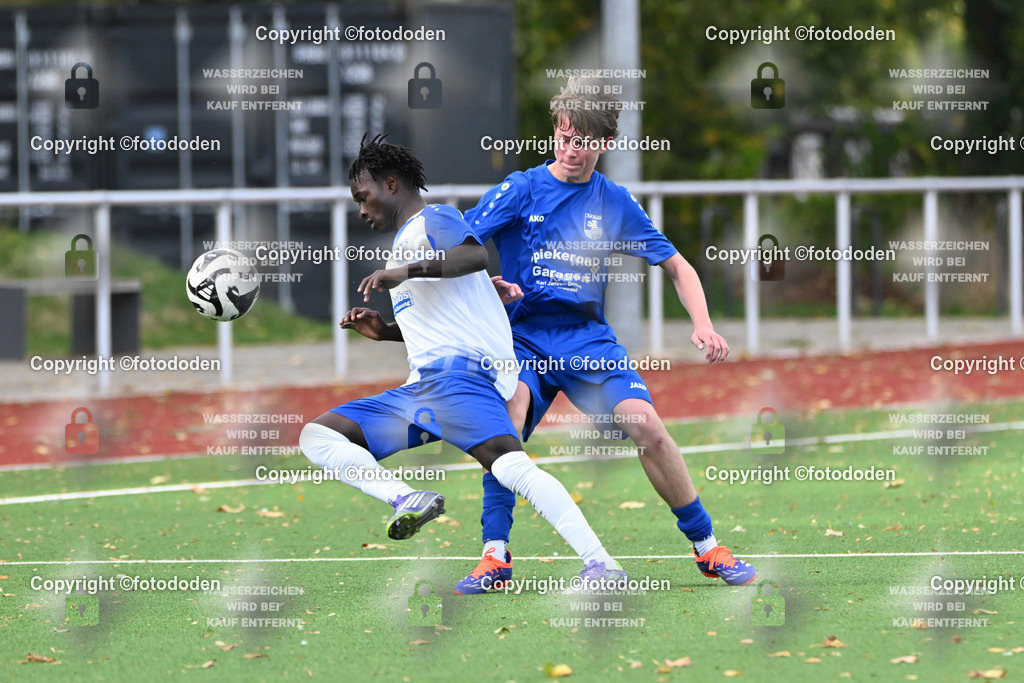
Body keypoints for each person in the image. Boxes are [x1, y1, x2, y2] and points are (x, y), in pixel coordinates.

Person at [454, 79, 757, 594]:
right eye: (564, 136)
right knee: (507, 427)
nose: (572, 149)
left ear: (605, 143)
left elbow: (678, 265)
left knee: (649, 430)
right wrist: (488, 283)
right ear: (555, 133)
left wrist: (703, 324)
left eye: (584, 140)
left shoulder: (614, 200)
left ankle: (707, 547)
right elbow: (458, 245)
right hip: (522, 338)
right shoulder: (521, 188)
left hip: (586, 340)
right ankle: (495, 556)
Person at [299, 133, 625, 590]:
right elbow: (444, 322)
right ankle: (408, 498)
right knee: (318, 436)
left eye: (363, 196)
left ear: (390, 184)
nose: (360, 208)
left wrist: (404, 272)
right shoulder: (408, 245)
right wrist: (387, 331)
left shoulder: (435, 218)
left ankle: (603, 566)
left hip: (461, 384)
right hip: (424, 389)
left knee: (512, 469)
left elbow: (473, 254)